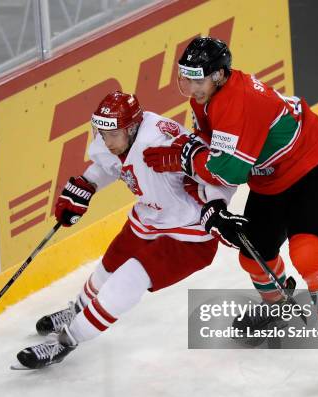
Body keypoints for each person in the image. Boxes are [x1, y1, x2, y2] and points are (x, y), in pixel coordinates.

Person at [142, 37, 318, 388]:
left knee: (308, 252)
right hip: (271, 180)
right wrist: (207, 189)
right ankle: (278, 303)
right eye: (186, 79)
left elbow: (227, 172)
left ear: (218, 75)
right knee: (253, 255)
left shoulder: (238, 101)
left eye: (197, 80)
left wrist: (184, 159)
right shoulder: (207, 97)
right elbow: (214, 154)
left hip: (313, 172)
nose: (191, 88)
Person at [15, 91, 230, 369]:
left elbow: (219, 170)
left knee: (130, 277)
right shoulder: (114, 139)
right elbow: (109, 166)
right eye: (102, 134)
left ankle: (66, 341)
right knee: (109, 265)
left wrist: (217, 203)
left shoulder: (160, 140)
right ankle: (77, 310)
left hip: (189, 232)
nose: (105, 141)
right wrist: (87, 184)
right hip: (149, 216)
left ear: (131, 128)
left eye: (112, 135)